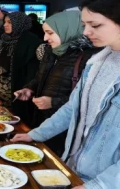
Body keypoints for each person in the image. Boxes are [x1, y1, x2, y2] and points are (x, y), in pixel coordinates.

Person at [11, 0, 120, 189]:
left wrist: (101, 186)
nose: (85, 32)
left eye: (95, 25)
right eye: (84, 25)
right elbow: (73, 108)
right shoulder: (97, 62)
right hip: (78, 173)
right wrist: (36, 134)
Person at [14, 11, 101, 155]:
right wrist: (29, 88)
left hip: (66, 127)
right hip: (42, 120)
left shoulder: (90, 57)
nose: (45, 38)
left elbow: (90, 97)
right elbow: (40, 77)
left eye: (50, 33)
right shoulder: (52, 51)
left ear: (68, 29)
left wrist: (54, 102)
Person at [0, 12, 41, 115]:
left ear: (19, 23)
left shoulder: (31, 42)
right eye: (4, 22)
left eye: (9, 22)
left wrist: (28, 87)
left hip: (14, 90)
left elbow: (33, 71)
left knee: (12, 117)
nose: (5, 25)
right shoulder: (2, 38)